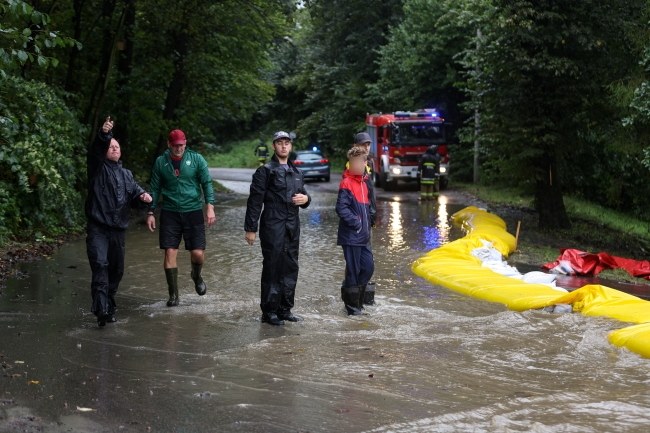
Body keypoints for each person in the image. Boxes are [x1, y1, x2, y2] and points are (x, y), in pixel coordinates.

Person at [86, 116, 152, 326]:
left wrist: (144, 198)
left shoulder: (126, 175)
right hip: (98, 227)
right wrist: (105, 134)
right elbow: (97, 149)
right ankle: (101, 309)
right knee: (100, 265)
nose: (114, 148)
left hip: (118, 231)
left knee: (117, 270)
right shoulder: (97, 168)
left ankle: (109, 304)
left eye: (117, 145)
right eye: (111, 146)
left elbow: (135, 196)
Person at [244, 131, 311, 326]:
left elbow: (304, 197)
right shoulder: (265, 171)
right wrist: (251, 228)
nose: (283, 146)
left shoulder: (297, 172)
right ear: (274, 146)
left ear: (290, 146)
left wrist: (306, 200)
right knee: (273, 266)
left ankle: (285, 309)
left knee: (290, 266)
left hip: (293, 225)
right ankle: (269, 311)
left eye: (287, 143)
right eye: (280, 143)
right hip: (272, 223)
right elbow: (255, 202)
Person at [146, 129, 216, 307]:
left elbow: (206, 182)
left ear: (185, 143)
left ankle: (196, 275)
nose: (179, 148)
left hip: (192, 210)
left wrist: (210, 206)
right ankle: (173, 295)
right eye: (175, 145)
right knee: (169, 251)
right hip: (170, 212)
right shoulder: (161, 162)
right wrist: (150, 212)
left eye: (181, 145)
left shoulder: (197, 159)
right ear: (169, 144)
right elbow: (154, 188)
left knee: (198, 254)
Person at [336, 146, 375, 315]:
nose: (356, 165)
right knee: (353, 271)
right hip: (351, 236)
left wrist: (369, 223)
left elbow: (367, 208)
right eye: (353, 162)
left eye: (359, 162)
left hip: (363, 236)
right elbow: (341, 208)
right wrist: (357, 223)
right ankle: (352, 309)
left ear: (365, 163)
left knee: (368, 268)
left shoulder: (364, 183)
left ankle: (355, 301)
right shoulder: (346, 182)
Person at [352, 132, 377, 305]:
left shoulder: (369, 163)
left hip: (367, 217)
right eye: (363, 144)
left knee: (366, 262)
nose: (366, 147)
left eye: (368, 144)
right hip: (358, 220)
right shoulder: (354, 163)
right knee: (357, 262)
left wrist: (373, 214)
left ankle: (362, 297)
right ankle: (354, 301)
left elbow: (370, 194)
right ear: (356, 145)